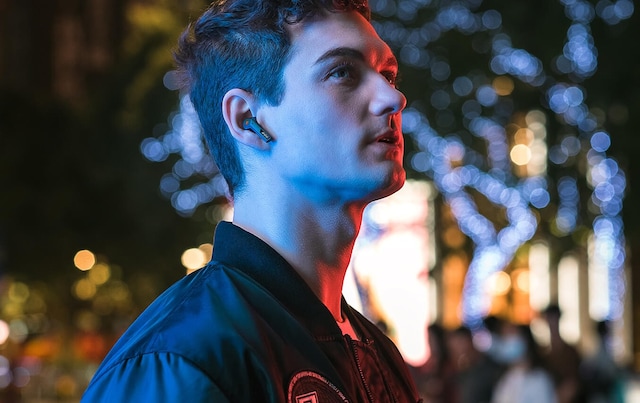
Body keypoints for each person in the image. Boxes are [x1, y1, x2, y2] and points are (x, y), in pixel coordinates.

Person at [82, 0, 420, 401]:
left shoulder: (377, 353)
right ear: (247, 119)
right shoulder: (183, 359)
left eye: (388, 74)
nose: (392, 98)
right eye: (342, 72)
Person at [491, 322, 557, 403]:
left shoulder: (539, 380)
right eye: (504, 337)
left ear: (525, 338)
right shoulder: (505, 379)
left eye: (511, 335)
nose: (507, 342)